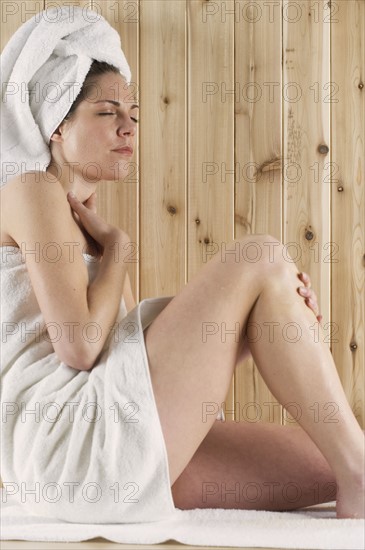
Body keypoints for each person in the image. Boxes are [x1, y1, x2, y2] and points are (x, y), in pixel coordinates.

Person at [1, 59, 364, 521]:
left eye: (134, 115)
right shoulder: (32, 189)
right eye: (107, 112)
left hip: (110, 442)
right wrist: (120, 252)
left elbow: (125, 371)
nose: (127, 128)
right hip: (67, 447)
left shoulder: (90, 235)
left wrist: (262, 320)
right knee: (261, 256)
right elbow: (80, 349)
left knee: (330, 459)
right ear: (57, 124)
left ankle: (355, 471)